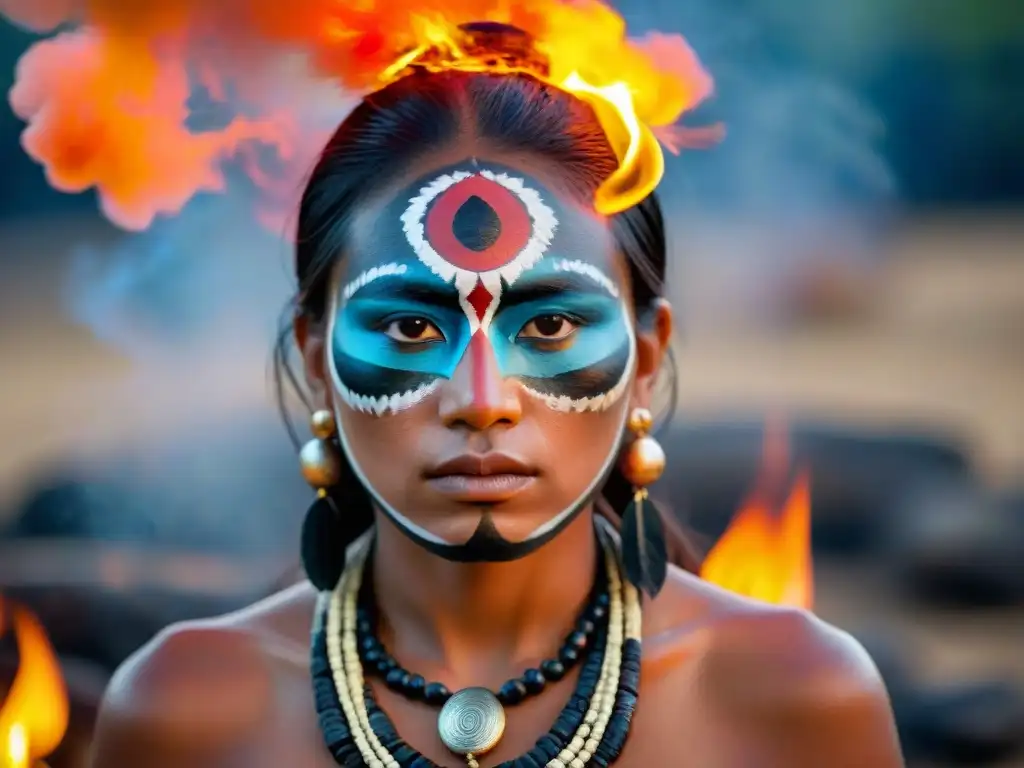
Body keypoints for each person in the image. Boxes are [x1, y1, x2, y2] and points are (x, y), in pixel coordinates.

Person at [85, 20, 903, 768]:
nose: (481, 399)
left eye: (548, 326)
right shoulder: (180, 711)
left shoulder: (798, 699)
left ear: (647, 354)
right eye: (409, 329)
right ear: (314, 355)